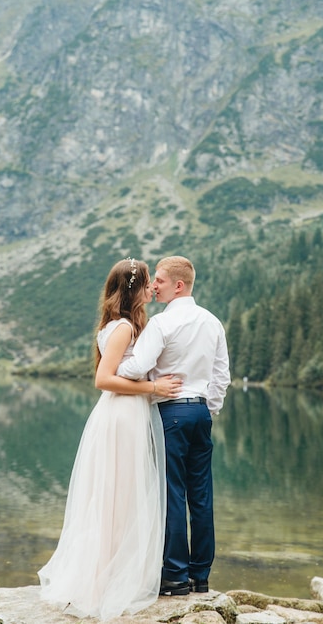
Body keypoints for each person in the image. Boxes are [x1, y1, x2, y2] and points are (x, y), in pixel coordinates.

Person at [38, 258, 182, 621]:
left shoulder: (125, 325)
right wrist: (153, 386)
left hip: (124, 413)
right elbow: (103, 378)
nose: (152, 288)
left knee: (117, 496)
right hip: (121, 415)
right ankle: (103, 584)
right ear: (135, 288)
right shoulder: (122, 329)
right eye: (148, 281)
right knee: (116, 498)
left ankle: (108, 578)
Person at [118, 255, 231, 596]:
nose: (154, 286)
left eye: (161, 282)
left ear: (178, 285)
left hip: (170, 414)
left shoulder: (162, 324)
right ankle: (201, 577)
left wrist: (115, 362)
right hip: (199, 414)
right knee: (201, 495)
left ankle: (175, 577)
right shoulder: (212, 322)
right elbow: (221, 376)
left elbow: (137, 368)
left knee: (172, 494)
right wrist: (208, 409)